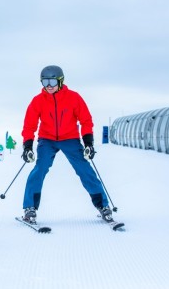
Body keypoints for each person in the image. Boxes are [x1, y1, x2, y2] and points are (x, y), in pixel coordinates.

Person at [21, 65, 116, 224]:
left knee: (84, 170)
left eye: (52, 81)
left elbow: (86, 120)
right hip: (47, 139)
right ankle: (30, 208)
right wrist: (27, 146)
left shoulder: (74, 97)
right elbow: (29, 125)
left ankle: (103, 206)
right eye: (45, 82)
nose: (49, 86)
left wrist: (88, 143)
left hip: (70, 138)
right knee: (39, 169)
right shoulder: (37, 101)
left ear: (60, 81)